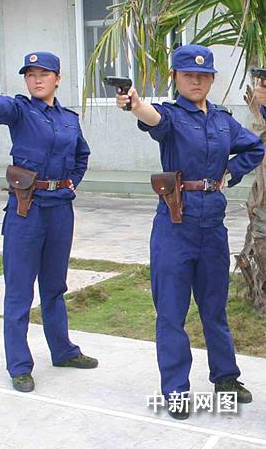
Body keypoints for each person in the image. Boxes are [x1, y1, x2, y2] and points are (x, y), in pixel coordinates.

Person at [116, 44, 264, 419]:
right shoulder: (171, 116)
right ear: (176, 78)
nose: (195, 81)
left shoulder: (223, 121)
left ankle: (226, 378)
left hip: (212, 226)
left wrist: (231, 172)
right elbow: (151, 118)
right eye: (188, 75)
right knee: (171, 312)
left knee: (214, 309)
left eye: (203, 76)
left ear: (211, 79)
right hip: (175, 225)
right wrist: (134, 102)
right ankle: (176, 390)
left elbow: (254, 147)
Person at [0, 51, 98, 392]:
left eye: (43, 73)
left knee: (55, 287)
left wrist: (72, 182)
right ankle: (19, 365)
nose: (36, 79)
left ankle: (63, 351)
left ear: (57, 79)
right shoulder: (21, 110)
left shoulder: (69, 119)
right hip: (26, 209)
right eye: (30, 74)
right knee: (19, 290)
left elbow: (82, 154)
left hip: (60, 209)